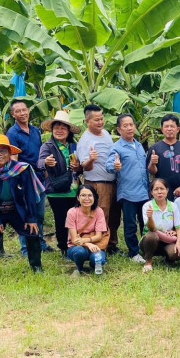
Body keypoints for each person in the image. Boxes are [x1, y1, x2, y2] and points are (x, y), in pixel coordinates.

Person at [0, 134, 44, 285]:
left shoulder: (21, 169)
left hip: (16, 210)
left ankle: (37, 267)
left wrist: (31, 218)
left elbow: (29, 194)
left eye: (3, 151)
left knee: (32, 231)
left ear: (10, 153)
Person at [6, 99, 53, 255]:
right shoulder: (12, 133)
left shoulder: (35, 131)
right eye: (17, 111)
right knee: (26, 214)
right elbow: (13, 158)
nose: (22, 113)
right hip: (24, 178)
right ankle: (26, 247)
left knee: (39, 213)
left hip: (39, 177)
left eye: (24, 110)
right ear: (13, 115)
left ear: (28, 111)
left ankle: (40, 243)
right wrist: (17, 180)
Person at [77, 104, 121, 255]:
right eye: (96, 120)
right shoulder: (85, 140)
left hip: (112, 181)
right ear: (87, 121)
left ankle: (112, 244)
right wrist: (91, 160)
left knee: (114, 216)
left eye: (102, 118)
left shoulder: (106, 134)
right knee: (102, 216)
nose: (100, 122)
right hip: (98, 183)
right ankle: (101, 248)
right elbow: (85, 166)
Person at [106, 113, 149, 263]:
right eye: (125, 126)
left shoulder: (139, 145)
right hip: (128, 193)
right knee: (130, 225)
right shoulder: (117, 148)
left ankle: (147, 249)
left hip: (144, 192)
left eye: (131, 125)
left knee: (145, 223)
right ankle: (133, 253)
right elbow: (109, 165)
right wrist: (115, 166)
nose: (129, 128)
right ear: (119, 129)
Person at [38, 110, 81, 257]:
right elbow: (39, 162)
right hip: (56, 189)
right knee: (61, 219)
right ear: (52, 130)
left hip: (74, 189)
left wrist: (78, 167)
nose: (59, 131)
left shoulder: (73, 146)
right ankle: (63, 247)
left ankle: (74, 244)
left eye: (63, 128)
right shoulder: (48, 146)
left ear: (69, 131)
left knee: (75, 218)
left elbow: (80, 166)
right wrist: (46, 162)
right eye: (56, 128)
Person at [147, 114, 180, 200]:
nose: (169, 129)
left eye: (172, 126)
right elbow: (152, 172)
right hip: (162, 192)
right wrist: (152, 163)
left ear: (178, 129)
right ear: (162, 129)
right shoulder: (155, 148)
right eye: (166, 126)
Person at [140, 178, 180, 273]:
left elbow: (179, 227)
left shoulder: (173, 206)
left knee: (178, 252)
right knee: (151, 236)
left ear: (167, 190)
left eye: (162, 189)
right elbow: (152, 228)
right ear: (151, 192)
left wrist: (179, 242)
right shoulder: (147, 206)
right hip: (151, 240)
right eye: (156, 189)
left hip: (168, 240)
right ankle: (148, 261)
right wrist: (150, 217)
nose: (159, 192)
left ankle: (168, 259)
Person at [66, 184, 108, 277]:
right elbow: (74, 240)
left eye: (90, 195)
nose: (87, 198)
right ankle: (79, 268)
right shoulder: (72, 212)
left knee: (98, 259)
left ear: (94, 197)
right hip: (76, 247)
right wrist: (88, 244)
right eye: (83, 195)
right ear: (78, 198)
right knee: (79, 252)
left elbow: (99, 236)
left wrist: (85, 240)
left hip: (96, 245)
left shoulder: (99, 211)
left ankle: (94, 265)